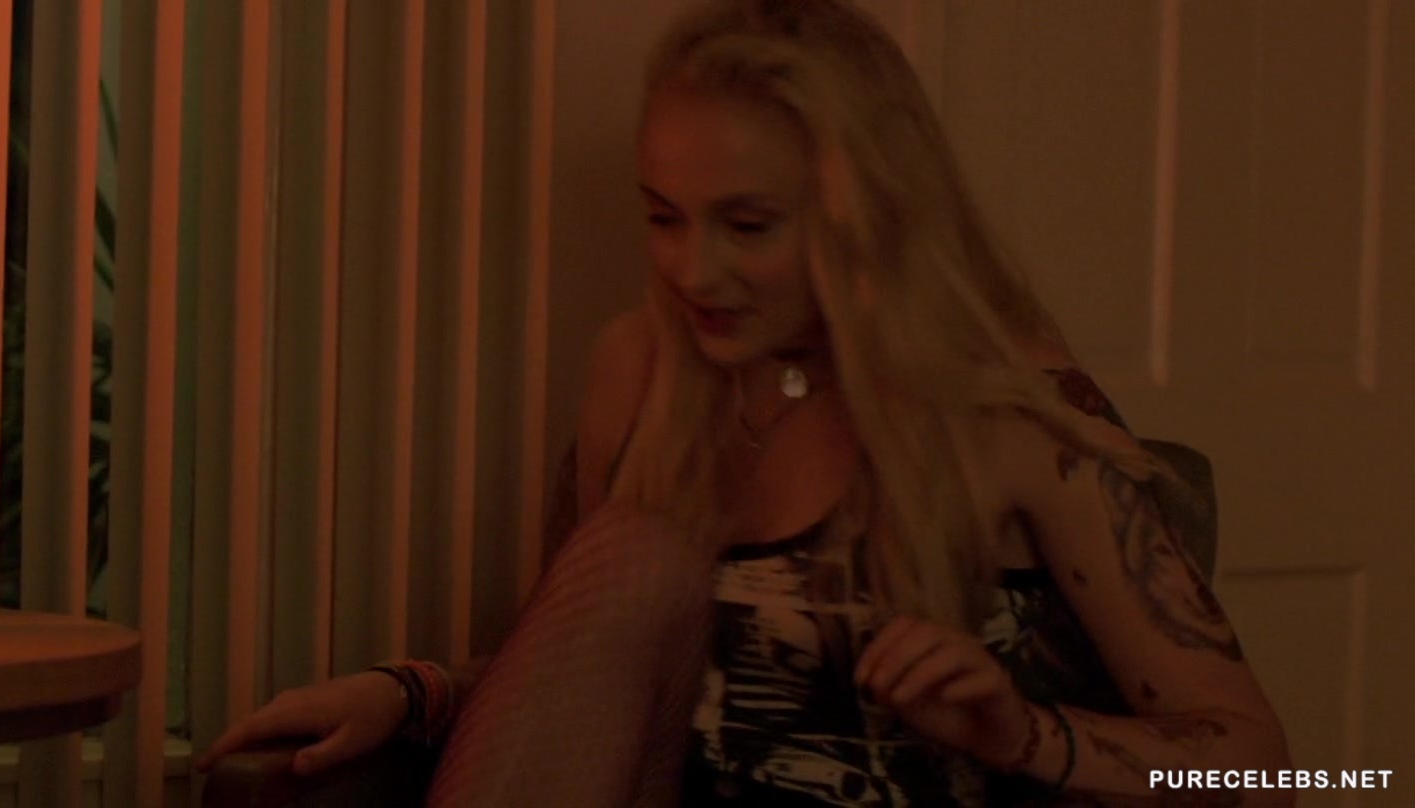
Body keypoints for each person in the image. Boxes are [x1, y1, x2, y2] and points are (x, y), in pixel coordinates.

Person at [202, 0, 1291, 804]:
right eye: (663, 217)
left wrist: (1020, 733)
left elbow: (1267, 767)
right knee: (641, 546)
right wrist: (416, 694)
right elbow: (596, 682)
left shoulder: (1013, 418)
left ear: (867, 212)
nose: (694, 271)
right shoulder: (641, 371)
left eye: (748, 225)